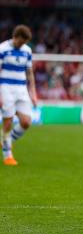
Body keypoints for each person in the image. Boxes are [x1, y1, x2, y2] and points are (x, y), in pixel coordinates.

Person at [1, 25, 37, 166]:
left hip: (21, 89)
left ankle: (6, 141)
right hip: (6, 88)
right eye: (21, 42)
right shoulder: (3, 49)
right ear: (15, 37)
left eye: (24, 43)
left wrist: (33, 93)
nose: (22, 45)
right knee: (8, 122)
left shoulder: (27, 51)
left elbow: (29, 73)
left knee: (26, 122)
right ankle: (7, 155)